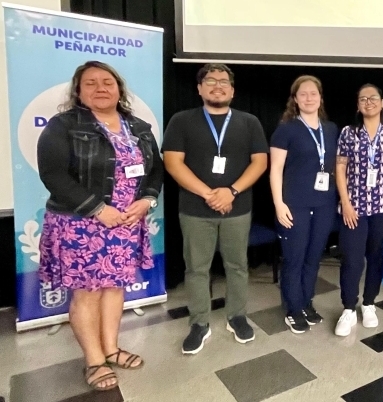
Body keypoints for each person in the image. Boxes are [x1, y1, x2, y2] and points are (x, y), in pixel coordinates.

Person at [36, 61, 163, 391]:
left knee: (114, 288)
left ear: (119, 89)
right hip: (80, 224)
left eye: (107, 82)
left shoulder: (138, 127)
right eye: (90, 83)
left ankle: (111, 349)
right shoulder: (64, 125)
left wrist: (147, 200)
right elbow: (53, 174)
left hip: (125, 223)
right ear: (78, 92)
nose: (100, 88)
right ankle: (94, 360)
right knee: (88, 293)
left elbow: (156, 171)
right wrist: (97, 209)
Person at [162, 63, 268, 354]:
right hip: (195, 209)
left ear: (232, 91)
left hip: (238, 207)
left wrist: (231, 191)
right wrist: (209, 194)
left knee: (237, 266)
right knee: (197, 268)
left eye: (224, 81)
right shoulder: (181, 120)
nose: (217, 85)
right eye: (210, 80)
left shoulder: (249, 122)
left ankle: (237, 316)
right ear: (199, 88)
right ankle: (199, 323)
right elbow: (172, 162)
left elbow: (260, 162)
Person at [334, 84, 383, 336]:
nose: (368, 102)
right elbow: (340, 169)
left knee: (377, 258)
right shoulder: (348, 133)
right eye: (363, 99)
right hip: (353, 208)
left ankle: (369, 304)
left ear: (382, 103)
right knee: (352, 259)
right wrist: (345, 202)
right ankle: (348, 308)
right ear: (358, 105)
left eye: (373, 98)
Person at [270, 75, 339, 334]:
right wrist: (279, 204)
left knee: (313, 258)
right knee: (294, 259)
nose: (309, 98)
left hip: (324, 204)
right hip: (294, 204)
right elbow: (275, 170)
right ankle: (293, 308)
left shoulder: (330, 129)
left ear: (320, 98)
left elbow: (335, 166)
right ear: (295, 99)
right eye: (303, 94)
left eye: (313, 93)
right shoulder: (286, 129)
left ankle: (306, 302)